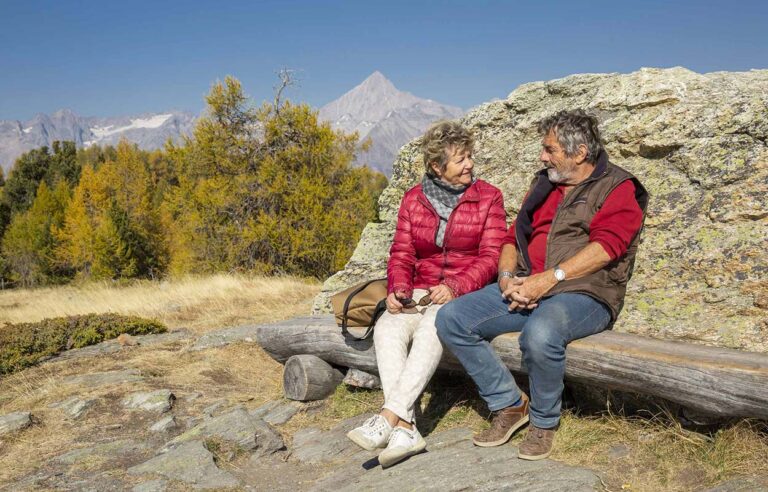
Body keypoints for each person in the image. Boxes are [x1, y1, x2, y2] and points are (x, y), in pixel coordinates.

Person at [436, 109, 649, 460]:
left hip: (584, 293)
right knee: (451, 319)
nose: (542, 156)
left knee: (539, 334)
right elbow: (511, 238)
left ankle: (544, 422)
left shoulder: (618, 187)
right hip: (528, 284)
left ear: (579, 153)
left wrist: (547, 281)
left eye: (549, 149)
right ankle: (508, 404)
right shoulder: (544, 185)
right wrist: (506, 279)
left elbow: (606, 249)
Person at [346, 121, 507, 467]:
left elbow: (492, 257)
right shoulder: (413, 200)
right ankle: (407, 429)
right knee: (388, 327)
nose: (469, 165)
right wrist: (398, 289)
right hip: (419, 290)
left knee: (435, 325)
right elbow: (402, 253)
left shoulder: (488, 197)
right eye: (460, 159)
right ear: (437, 167)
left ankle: (389, 417)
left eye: (469, 157)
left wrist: (455, 287)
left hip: (464, 292)